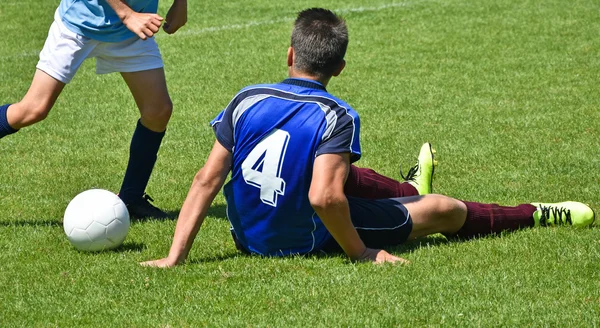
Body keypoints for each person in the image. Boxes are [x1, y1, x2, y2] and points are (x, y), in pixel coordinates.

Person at [141, 8, 595, 267]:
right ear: (339, 68)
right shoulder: (336, 115)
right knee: (446, 209)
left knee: (333, 168)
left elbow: (206, 179)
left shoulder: (246, 98)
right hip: (302, 237)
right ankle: (536, 213)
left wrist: (174, 257)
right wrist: (359, 252)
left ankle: (410, 189)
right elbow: (324, 198)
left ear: (290, 54)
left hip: (247, 236)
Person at [0, 0, 188, 218]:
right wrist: (127, 15)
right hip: (81, 26)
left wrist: (180, 3)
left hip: (132, 31)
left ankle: (131, 198)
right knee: (33, 109)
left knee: (158, 111)